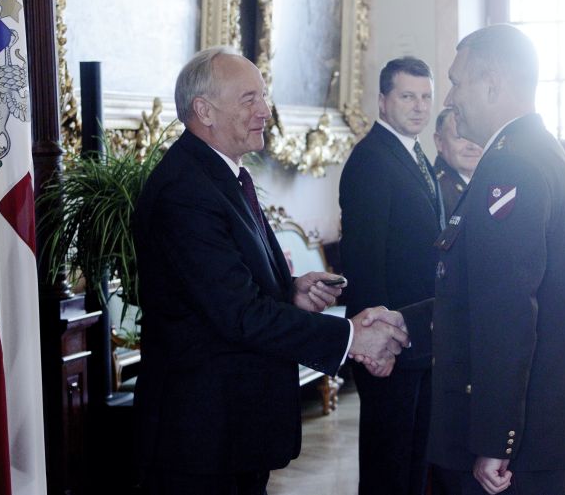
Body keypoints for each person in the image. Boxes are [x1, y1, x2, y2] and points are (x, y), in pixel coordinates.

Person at [132, 46, 410, 495]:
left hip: (234, 431)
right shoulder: (185, 191)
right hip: (201, 440)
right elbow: (238, 315)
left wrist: (290, 291)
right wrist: (352, 337)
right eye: (249, 99)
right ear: (204, 111)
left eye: (263, 96)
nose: (265, 111)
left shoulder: (223, 176)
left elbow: (231, 286)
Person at [399, 24, 565, 495]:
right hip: (541, 433)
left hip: (517, 447)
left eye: (456, 82)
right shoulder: (536, 150)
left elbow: (508, 310)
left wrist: (495, 438)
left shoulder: (511, 165)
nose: (449, 98)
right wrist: (404, 322)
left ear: (491, 84)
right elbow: (485, 289)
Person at [339, 56, 441, 495]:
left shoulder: (415, 154)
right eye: (407, 96)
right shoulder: (371, 160)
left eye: (426, 97)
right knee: (389, 468)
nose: (419, 107)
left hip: (417, 336)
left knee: (414, 464)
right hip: (389, 343)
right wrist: (377, 343)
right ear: (382, 101)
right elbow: (363, 261)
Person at [433, 107, 483, 219]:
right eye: (461, 137)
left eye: (477, 137)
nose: (473, 146)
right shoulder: (434, 189)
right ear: (439, 141)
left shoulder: (490, 181)